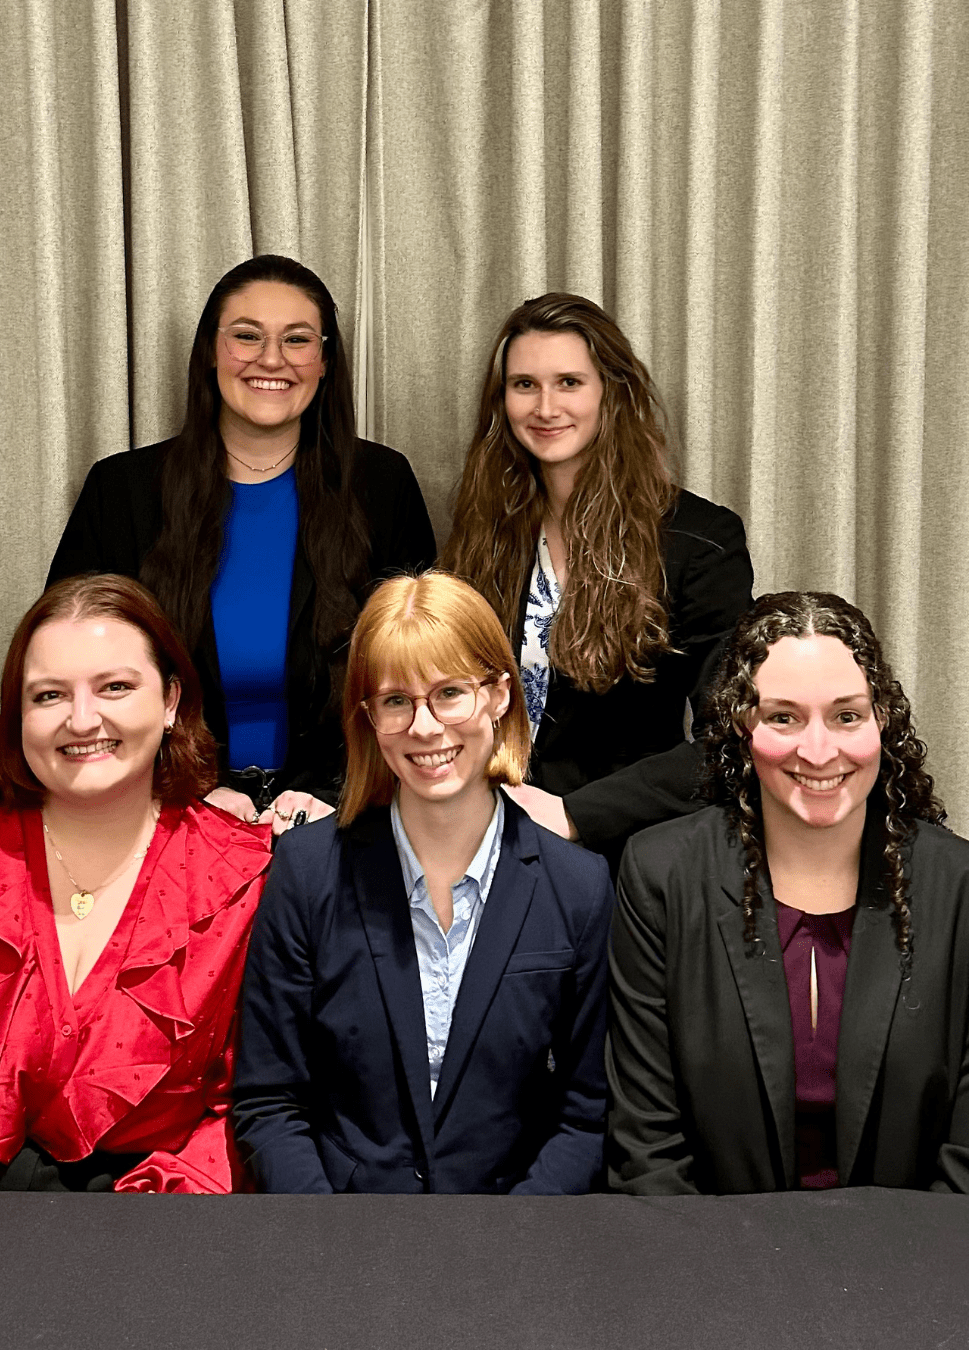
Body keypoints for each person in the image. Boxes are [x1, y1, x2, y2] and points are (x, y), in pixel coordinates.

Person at [232, 571, 612, 1193]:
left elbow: (585, 1118)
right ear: (368, 718)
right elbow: (270, 1103)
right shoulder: (305, 873)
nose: (426, 727)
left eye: (450, 693)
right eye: (396, 700)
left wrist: (512, 1246)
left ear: (499, 696)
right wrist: (331, 1243)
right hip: (343, 1239)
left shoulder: (578, 886)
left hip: (514, 1240)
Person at [0, 575, 270, 1192]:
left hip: (154, 1228)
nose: (82, 719)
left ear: (172, 700)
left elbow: (252, 1109)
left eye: (115, 687)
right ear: (18, 714)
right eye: (48, 696)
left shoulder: (245, 878)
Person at [48, 254, 436, 838]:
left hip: (345, 815)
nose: (271, 359)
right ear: (210, 351)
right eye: (247, 337)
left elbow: (422, 670)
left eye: (297, 340)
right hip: (160, 815)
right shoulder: (121, 491)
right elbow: (67, 673)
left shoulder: (382, 485)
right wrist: (186, 789)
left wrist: (333, 793)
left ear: (326, 360)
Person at [606, 591, 969, 1194]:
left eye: (847, 716)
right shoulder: (661, 876)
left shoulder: (956, 886)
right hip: (713, 1260)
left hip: (916, 1261)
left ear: (883, 719)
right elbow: (647, 1151)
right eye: (784, 717)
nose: (819, 750)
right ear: (741, 725)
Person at [443, 293, 753, 867]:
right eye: (524, 385)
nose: (545, 406)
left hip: (617, 856)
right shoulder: (484, 530)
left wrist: (575, 816)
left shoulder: (699, 541)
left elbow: (732, 740)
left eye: (568, 383)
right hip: (474, 841)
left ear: (613, 393)